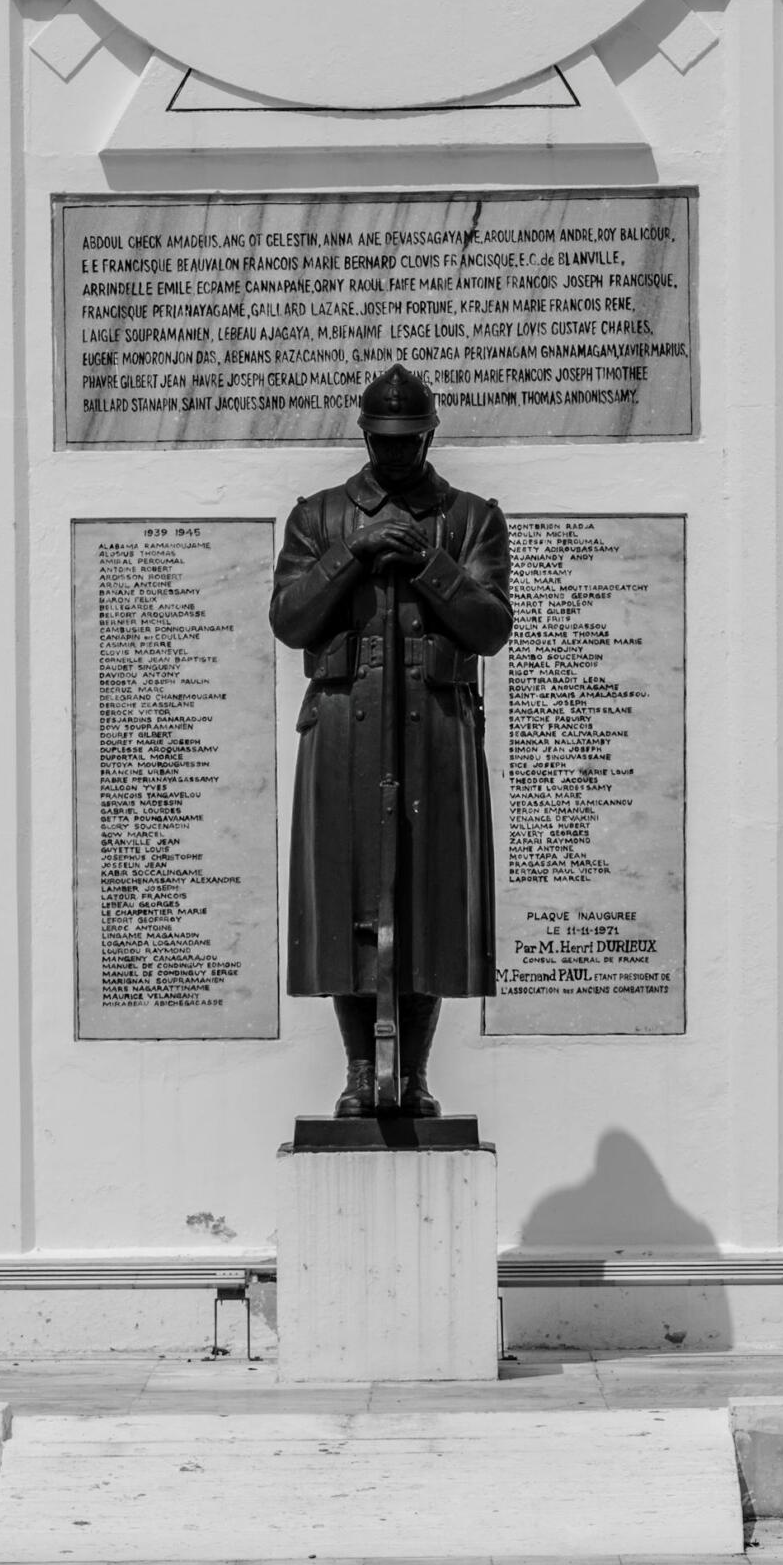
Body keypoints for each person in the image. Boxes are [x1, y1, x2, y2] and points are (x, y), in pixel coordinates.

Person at [269, 363, 513, 1116]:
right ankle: (356, 1073)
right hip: (345, 728)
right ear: (364, 436)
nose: (396, 454)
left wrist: (427, 562)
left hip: (436, 734)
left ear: (431, 434)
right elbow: (290, 621)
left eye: (408, 440)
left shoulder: (470, 517)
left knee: (431, 898)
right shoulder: (318, 517)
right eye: (382, 440)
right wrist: (355, 551)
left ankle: (412, 1078)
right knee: (346, 894)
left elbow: (490, 626)